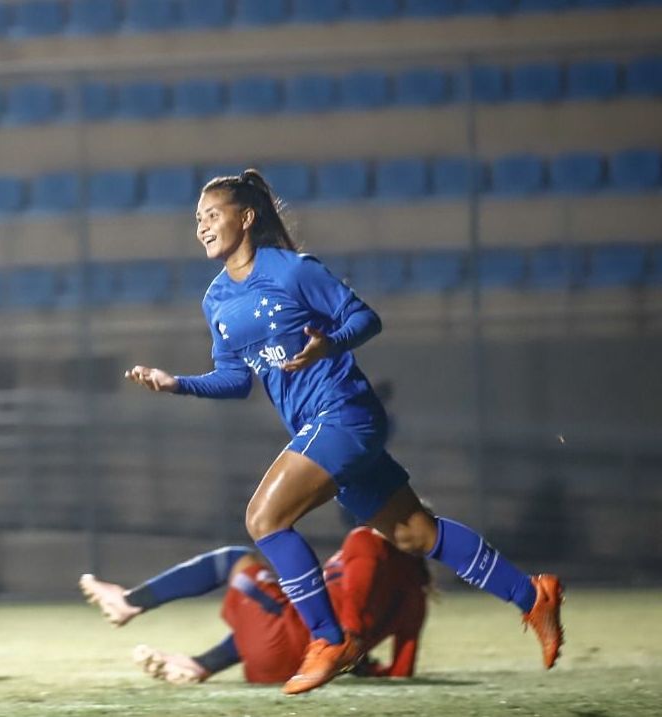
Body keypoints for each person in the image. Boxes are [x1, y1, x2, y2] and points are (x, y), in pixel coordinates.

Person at [123, 170, 563, 695]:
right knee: (414, 534)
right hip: (324, 427)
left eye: (212, 215)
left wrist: (328, 343)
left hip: (344, 414)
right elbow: (236, 380)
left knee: (264, 518)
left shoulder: (292, 271)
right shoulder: (216, 300)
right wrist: (177, 384)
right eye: (197, 219)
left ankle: (329, 640)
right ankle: (532, 595)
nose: (202, 226)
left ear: (246, 217)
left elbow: (365, 319)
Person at [79, 527, 430, 686]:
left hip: (300, 649)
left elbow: (353, 603)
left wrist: (346, 639)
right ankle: (201, 665)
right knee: (275, 602)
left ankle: (128, 602)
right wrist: (360, 665)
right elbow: (401, 673)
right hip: (300, 671)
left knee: (234, 560)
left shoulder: (368, 538)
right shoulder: (417, 597)